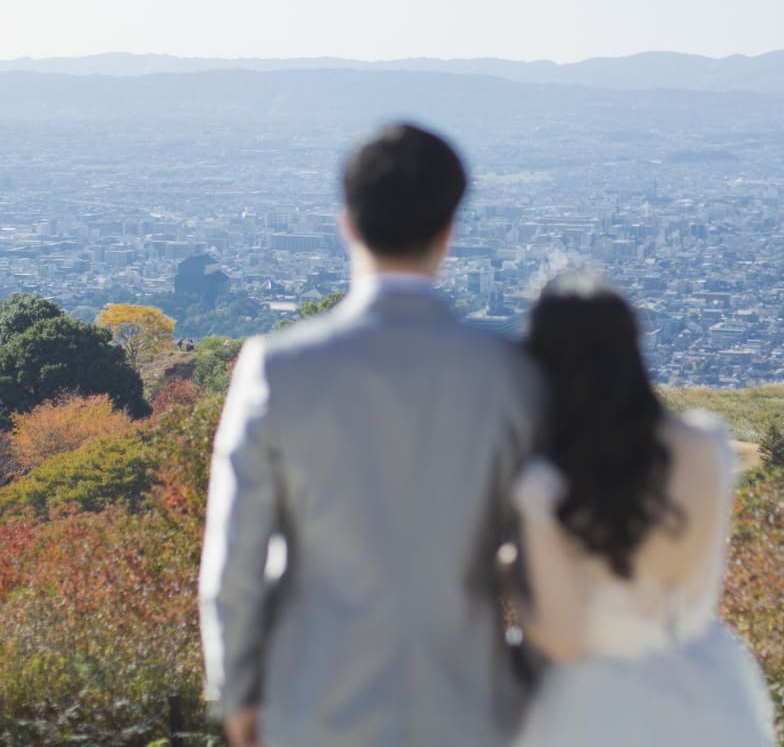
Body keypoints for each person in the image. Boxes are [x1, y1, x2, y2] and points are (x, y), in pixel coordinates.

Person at [199, 122, 541, 747]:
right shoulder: (508, 374)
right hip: (468, 710)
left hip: (311, 706)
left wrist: (238, 694)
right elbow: (545, 557)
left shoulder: (276, 369)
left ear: (347, 224)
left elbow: (234, 562)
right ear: (449, 229)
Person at [510, 272, 775, 746]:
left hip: (592, 705)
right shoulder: (707, 446)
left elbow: (562, 639)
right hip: (712, 684)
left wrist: (510, 575)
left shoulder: (546, 485)